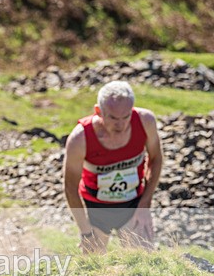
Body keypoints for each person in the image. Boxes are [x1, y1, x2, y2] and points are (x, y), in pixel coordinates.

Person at [63, 81, 163, 254]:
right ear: (98, 111)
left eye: (126, 117)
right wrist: (85, 232)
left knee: (144, 264)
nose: (120, 125)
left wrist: (145, 204)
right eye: (113, 118)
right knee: (94, 268)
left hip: (133, 204)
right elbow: (70, 188)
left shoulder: (146, 121)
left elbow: (156, 159)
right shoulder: (80, 138)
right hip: (95, 209)